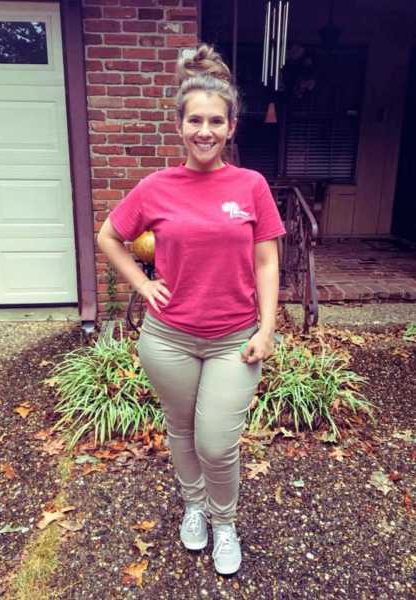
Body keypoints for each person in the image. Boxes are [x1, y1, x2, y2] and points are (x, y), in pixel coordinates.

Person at [97, 44, 286, 576]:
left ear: (231, 128)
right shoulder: (156, 187)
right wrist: (141, 283)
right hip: (169, 338)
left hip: (234, 339)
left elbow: (268, 262)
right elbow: (110, 236)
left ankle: (224, 522)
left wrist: (267, 328)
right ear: (180, 125)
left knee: (216, 442)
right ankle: (194, 506)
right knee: (180, 431)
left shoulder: (251, 186)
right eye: (195, 120)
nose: (205, 130)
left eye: (216, 121)